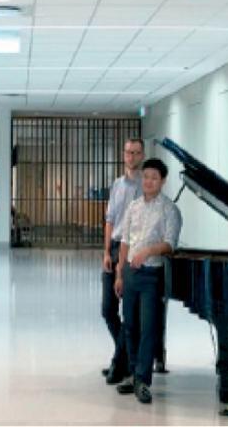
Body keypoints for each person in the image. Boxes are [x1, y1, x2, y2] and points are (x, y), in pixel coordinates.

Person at [115, 158, 182, 404]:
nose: (149, 181)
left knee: (148, 329)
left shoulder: (170, 210)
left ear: (162, 181)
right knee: (130, 326)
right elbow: (124, 241)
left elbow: (170, 244)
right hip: (131, 275)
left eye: (154, 177)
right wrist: (120, 274)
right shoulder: (133, 207)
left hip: (152, 275)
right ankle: (133, 374)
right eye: (146, 177)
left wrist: (148, 251)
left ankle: (143, 379)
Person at [101, 139, 144, 386]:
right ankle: (126, 358)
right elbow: (110, 220)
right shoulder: (117, 185)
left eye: (136, 153)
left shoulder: (146, 186)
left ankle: (119, 362)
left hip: (134, 252)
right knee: (108, 309)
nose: (132, 156)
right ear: (123, 154)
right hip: (115, 247)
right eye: (128, 152)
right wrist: (106, 251)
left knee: (129, 312)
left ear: (142, 155)